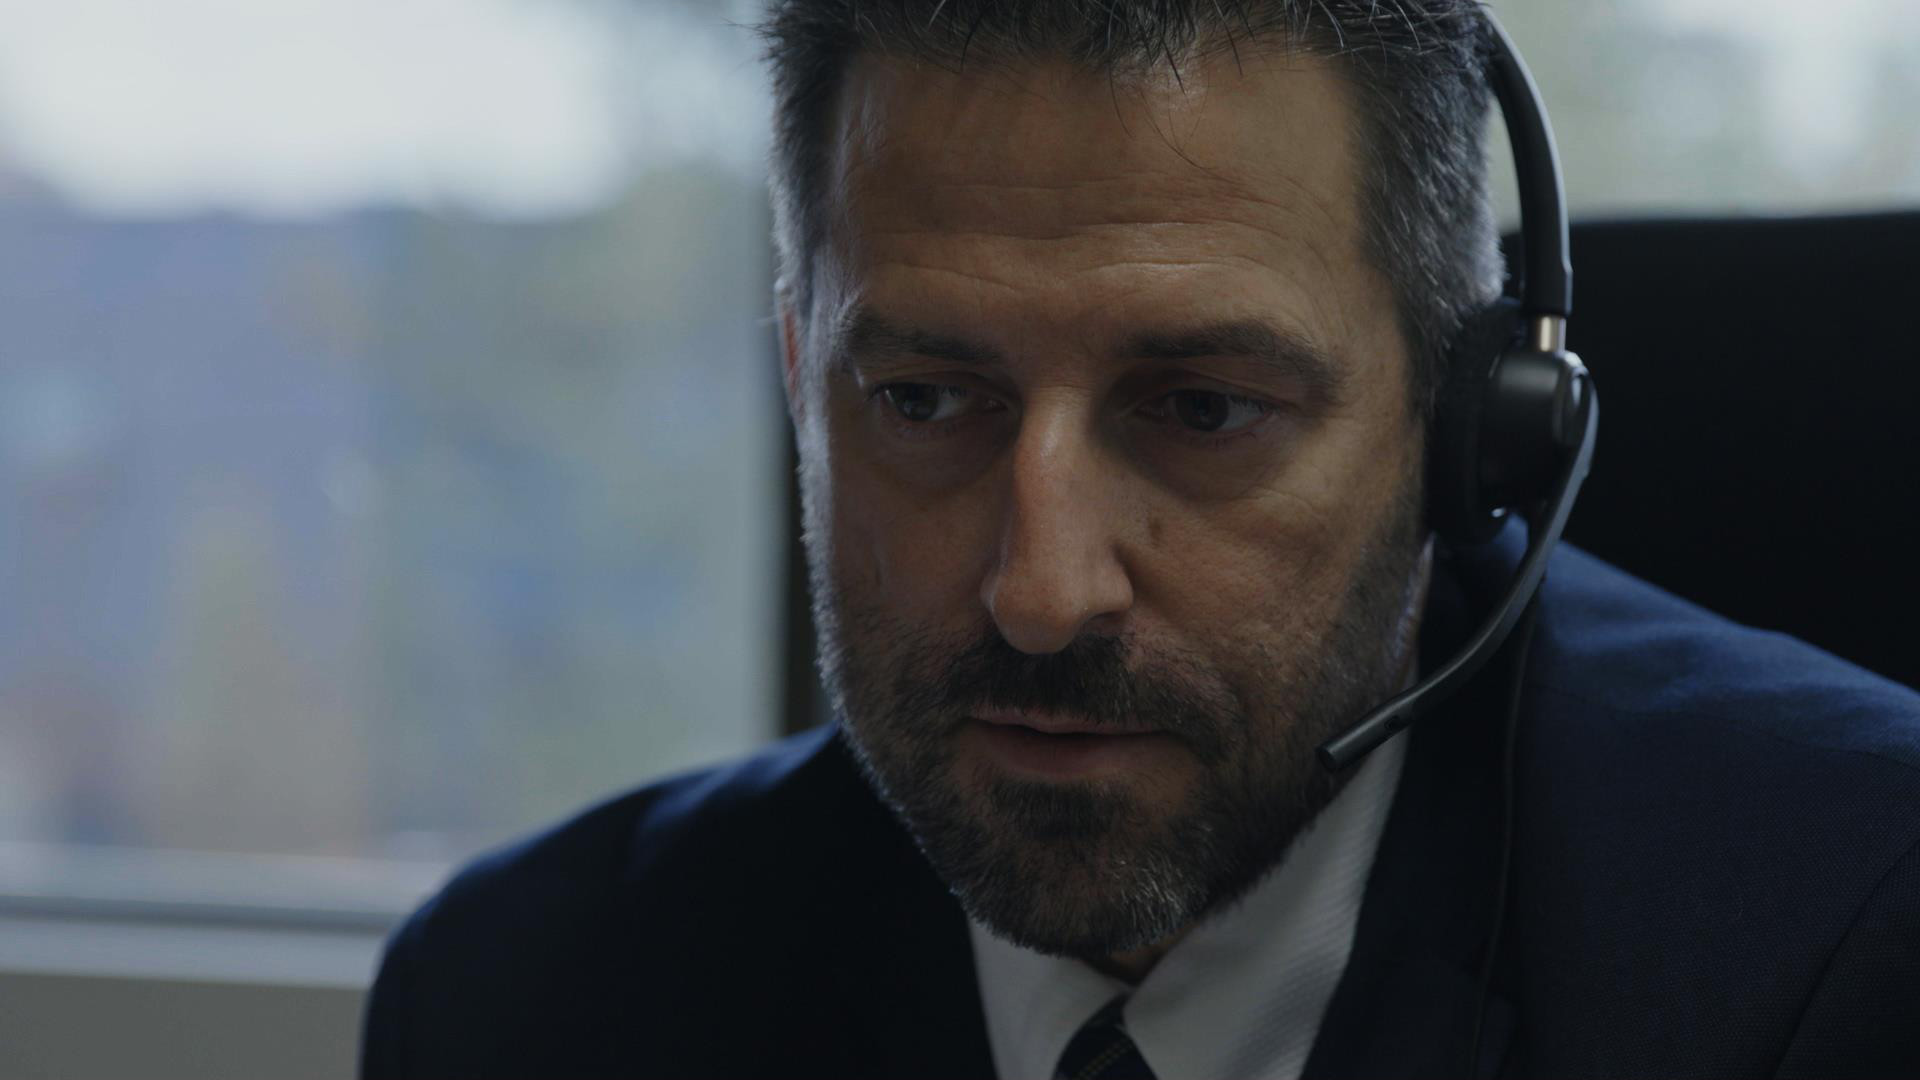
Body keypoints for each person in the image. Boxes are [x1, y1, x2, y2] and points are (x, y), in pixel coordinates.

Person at [360, 2, 1920, 1077]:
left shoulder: (1847, 958)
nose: (1043, 594)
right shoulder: (527, 1004)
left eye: (1204, 410)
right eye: (924, 399)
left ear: (1466, 433)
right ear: (798, 383)